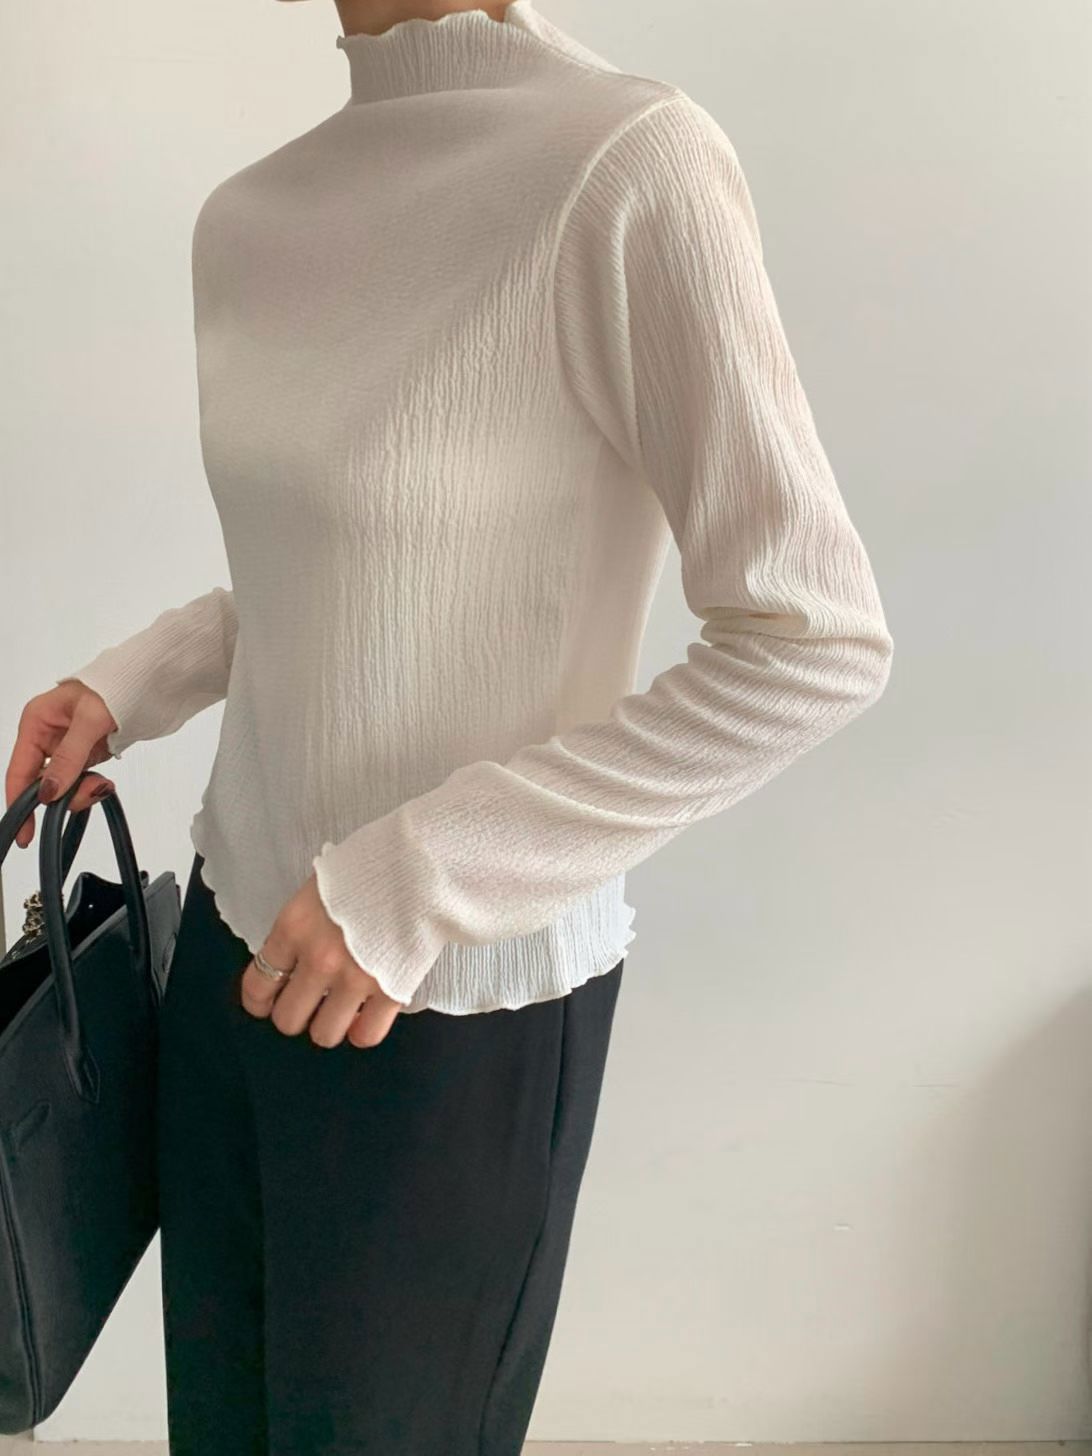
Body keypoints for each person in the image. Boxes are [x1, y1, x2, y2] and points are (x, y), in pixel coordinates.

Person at [4, 0, 894, 1450]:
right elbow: (332, 578)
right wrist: (131, 681)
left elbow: (812, 640)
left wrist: (422, 877)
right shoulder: (250, 217)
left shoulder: (627, 165)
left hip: (453, 1015)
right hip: (227, 953)